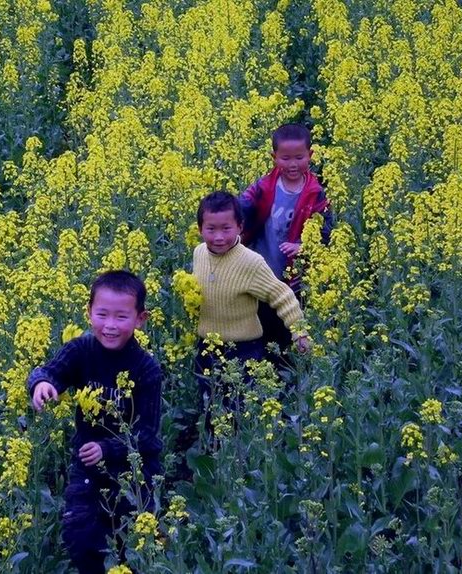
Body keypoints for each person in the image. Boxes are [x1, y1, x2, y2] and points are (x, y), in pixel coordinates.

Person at [28, 271, 163, 574]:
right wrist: (42, 385)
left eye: (121, 317)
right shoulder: (80, 351)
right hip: (88, 466)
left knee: (135, 545)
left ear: (141, 318)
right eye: (102, 315)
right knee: (80, 536)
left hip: (136, 470)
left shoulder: (147, 369)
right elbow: (50, 372)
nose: (110, 325)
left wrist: (108, 449)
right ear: (88, 313)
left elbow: (148, 435)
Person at [192, 191, 309, 407]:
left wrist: (299, 332)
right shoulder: (199, 253)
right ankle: (212, 441)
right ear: (200, 229)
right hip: (206, 347)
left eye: (226, 229)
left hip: (242, 350)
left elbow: (281, 295)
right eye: (211, 229)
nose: (219, 237)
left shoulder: (251, 262)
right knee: (209, 405)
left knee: (240, 407)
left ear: (240, 227)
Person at [239, 123, 332, 358]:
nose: (293, 164)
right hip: (261, 269)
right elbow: (242, 206)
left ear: (310, 156)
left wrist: (304, 246)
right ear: (274, 157)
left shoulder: (315, 192)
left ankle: (286, 374)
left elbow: (327, 232)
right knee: (261, 321)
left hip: (294, 274)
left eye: (299, 158)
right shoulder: (265, 185)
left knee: (288, 322)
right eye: (286, 158)